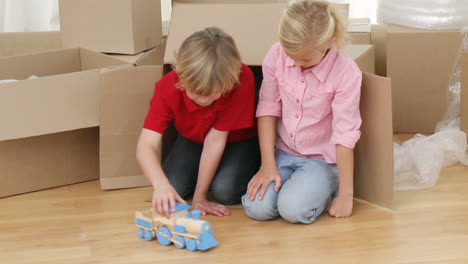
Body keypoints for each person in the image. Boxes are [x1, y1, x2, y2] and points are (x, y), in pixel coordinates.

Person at [242, 0, 362, 224]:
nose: (296, 64)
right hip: (283, 153)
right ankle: (298, 186)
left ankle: (328, 185)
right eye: (291, 55)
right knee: (256, 208)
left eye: (305, 59)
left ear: (329, 43)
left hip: (321, 160)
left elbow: (344, 134)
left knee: (293, 210)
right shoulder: (276, 55)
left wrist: (346, 194)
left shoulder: (346, 73)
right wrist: (268, 164)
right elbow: (268, 108)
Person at [137, 27, 259, 217]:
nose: (204, 101)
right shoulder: (167, 87)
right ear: (181, 78)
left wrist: (199, 198)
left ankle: (228, 172)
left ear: (229, 82)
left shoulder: (242, 79)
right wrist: (161, 185)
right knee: (172, 184)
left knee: (224, 190)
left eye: (213, 94)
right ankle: (207, 175)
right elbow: (146, 145)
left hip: (238, 140)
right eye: (195, 94)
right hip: (194, 138)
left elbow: (216, 139)